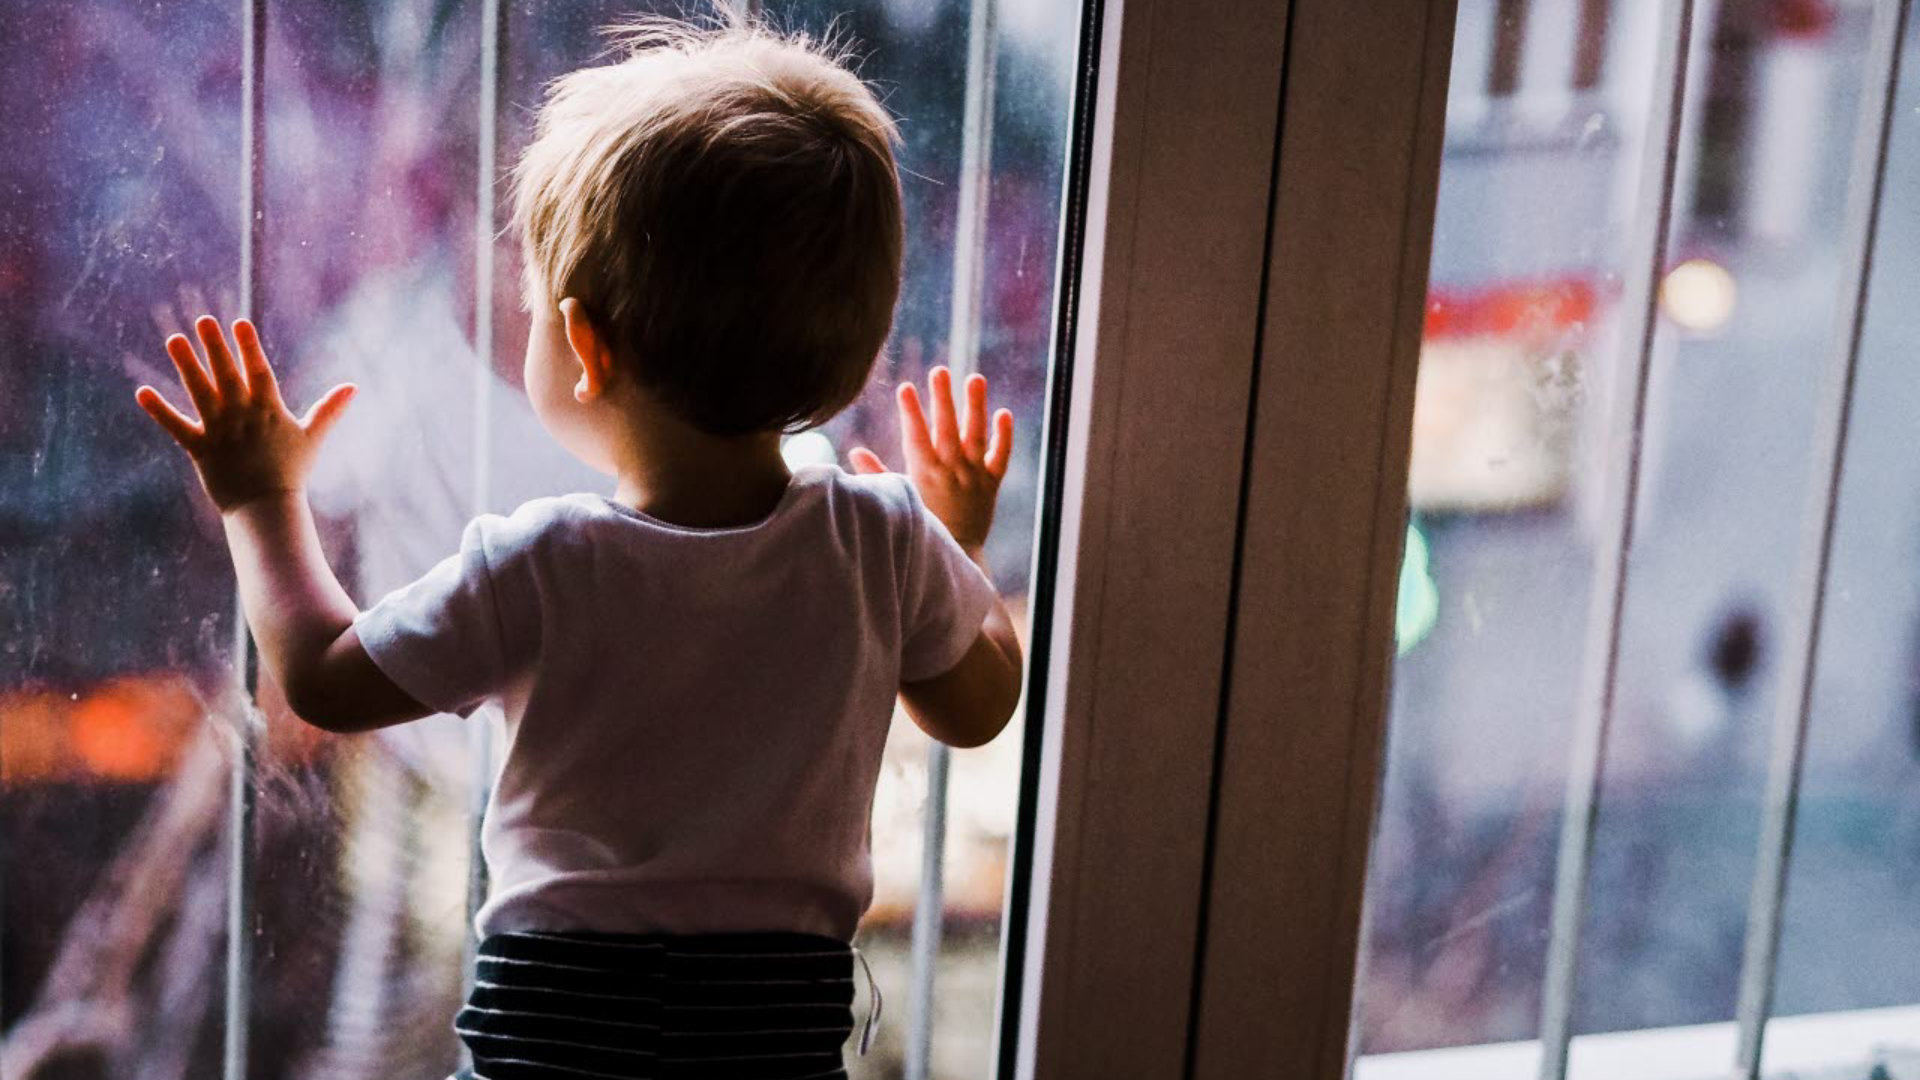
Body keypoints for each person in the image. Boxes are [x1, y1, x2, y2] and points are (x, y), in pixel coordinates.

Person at [132, 14, 1024, 1079]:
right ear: (857, 346)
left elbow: (325, 678)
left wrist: (259, 499)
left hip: (551, 1033)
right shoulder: (881, 542)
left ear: (587, 351)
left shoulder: (543, 563)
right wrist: (948, 546)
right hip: (770, 1035)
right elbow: (976, 705)